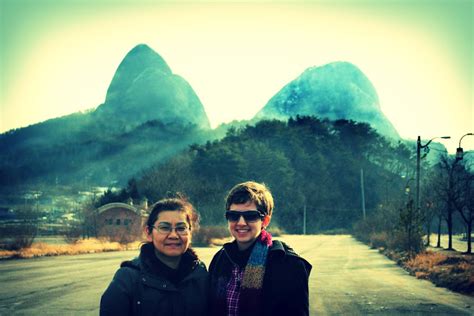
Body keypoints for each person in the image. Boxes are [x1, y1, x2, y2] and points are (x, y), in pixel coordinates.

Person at [209, 181, 312, 316]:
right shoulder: (220, 259)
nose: (241, 222)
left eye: (250, 216)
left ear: (265, 221)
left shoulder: (290, 265)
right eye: (233, 215)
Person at [100, 196, 209, 316]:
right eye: (164, 228)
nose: (173, 235)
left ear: (190, 232)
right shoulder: (127, 280)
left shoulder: (200, 275)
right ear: (148, 233)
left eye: (181, 228)